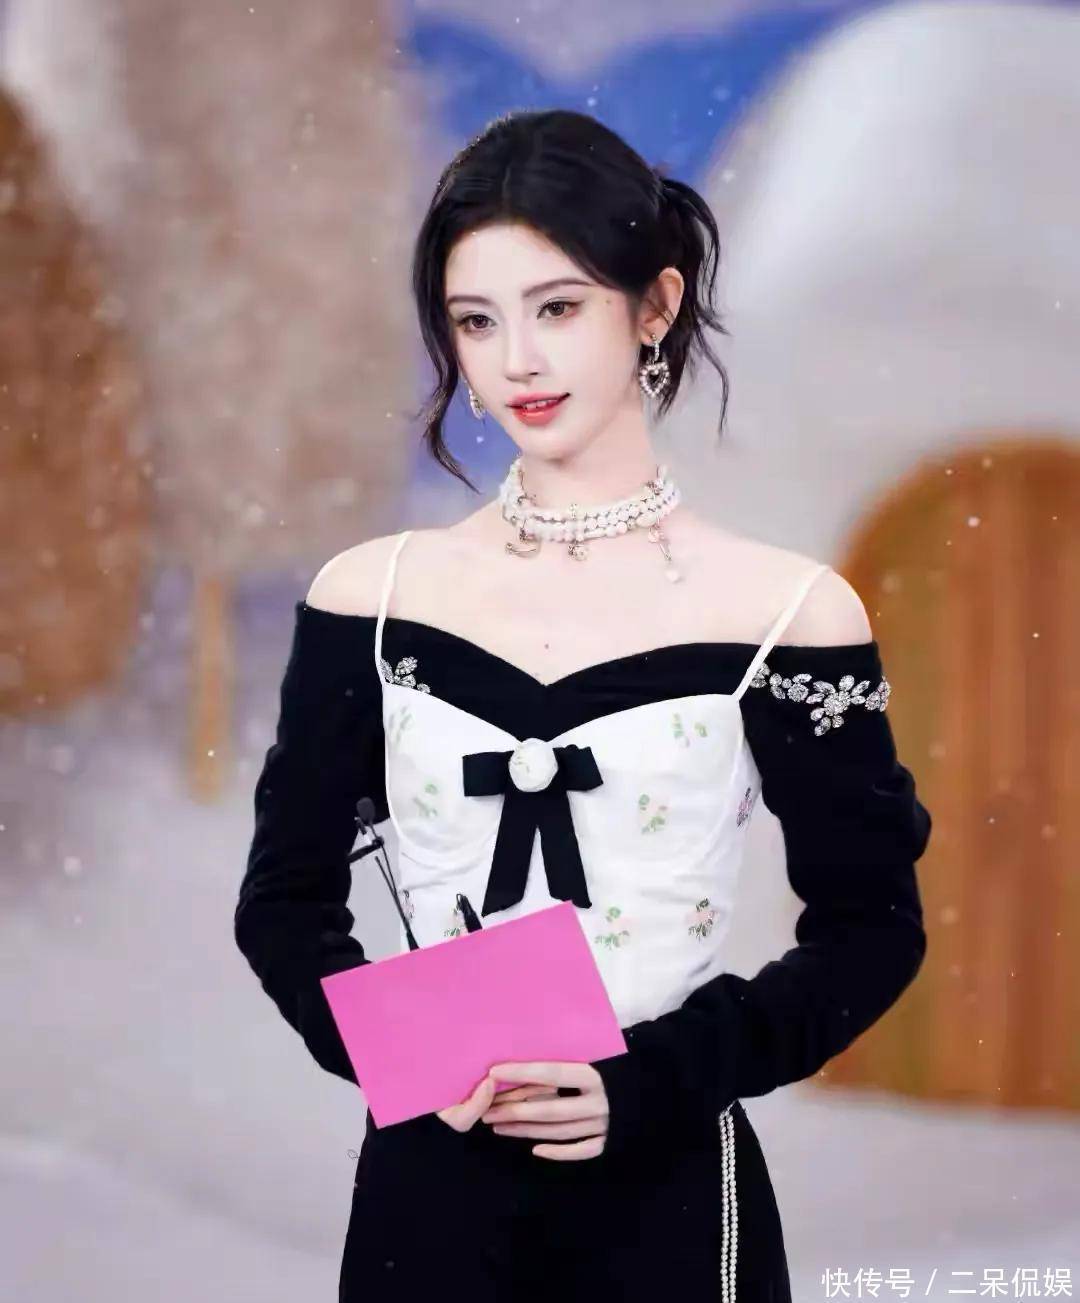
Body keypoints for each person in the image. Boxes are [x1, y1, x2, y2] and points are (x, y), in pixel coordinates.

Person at [234, 108, 932, 1303]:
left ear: (654, 305)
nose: (516, 360)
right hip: (427, 1203)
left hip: (670, 1199)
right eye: (476, 320)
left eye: (557, 308)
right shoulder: (372, 598)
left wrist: (655, 1078)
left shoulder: (790, 612)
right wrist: (405, 1053)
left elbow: (872, 930)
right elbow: (284, 904)